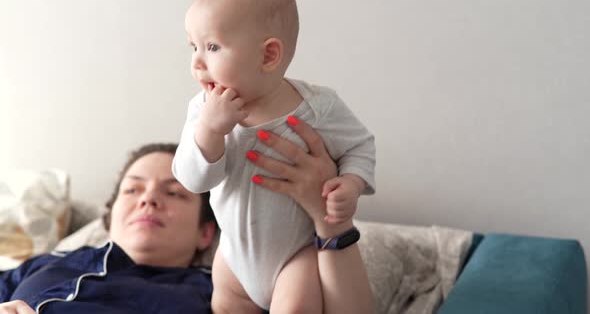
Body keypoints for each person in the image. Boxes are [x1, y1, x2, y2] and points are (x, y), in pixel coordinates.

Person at [0, 119, 372, 313]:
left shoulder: (224, 291)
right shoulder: (44, 265)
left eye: (174, 193)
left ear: (206, 233)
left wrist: (332, 219)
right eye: (133, 189)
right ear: (108, 219)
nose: (148, 200)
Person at [172, 0, 376, 312]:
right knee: (224, 306)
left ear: (268, 55)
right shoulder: (202, 111)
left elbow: (360, 146)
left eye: (211, 47)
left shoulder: (317, 108)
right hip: (234, 257)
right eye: (192, 46)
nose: (197, 62)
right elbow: (193, 181)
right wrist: (210, 132)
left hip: (294, 256)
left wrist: (351, 183)